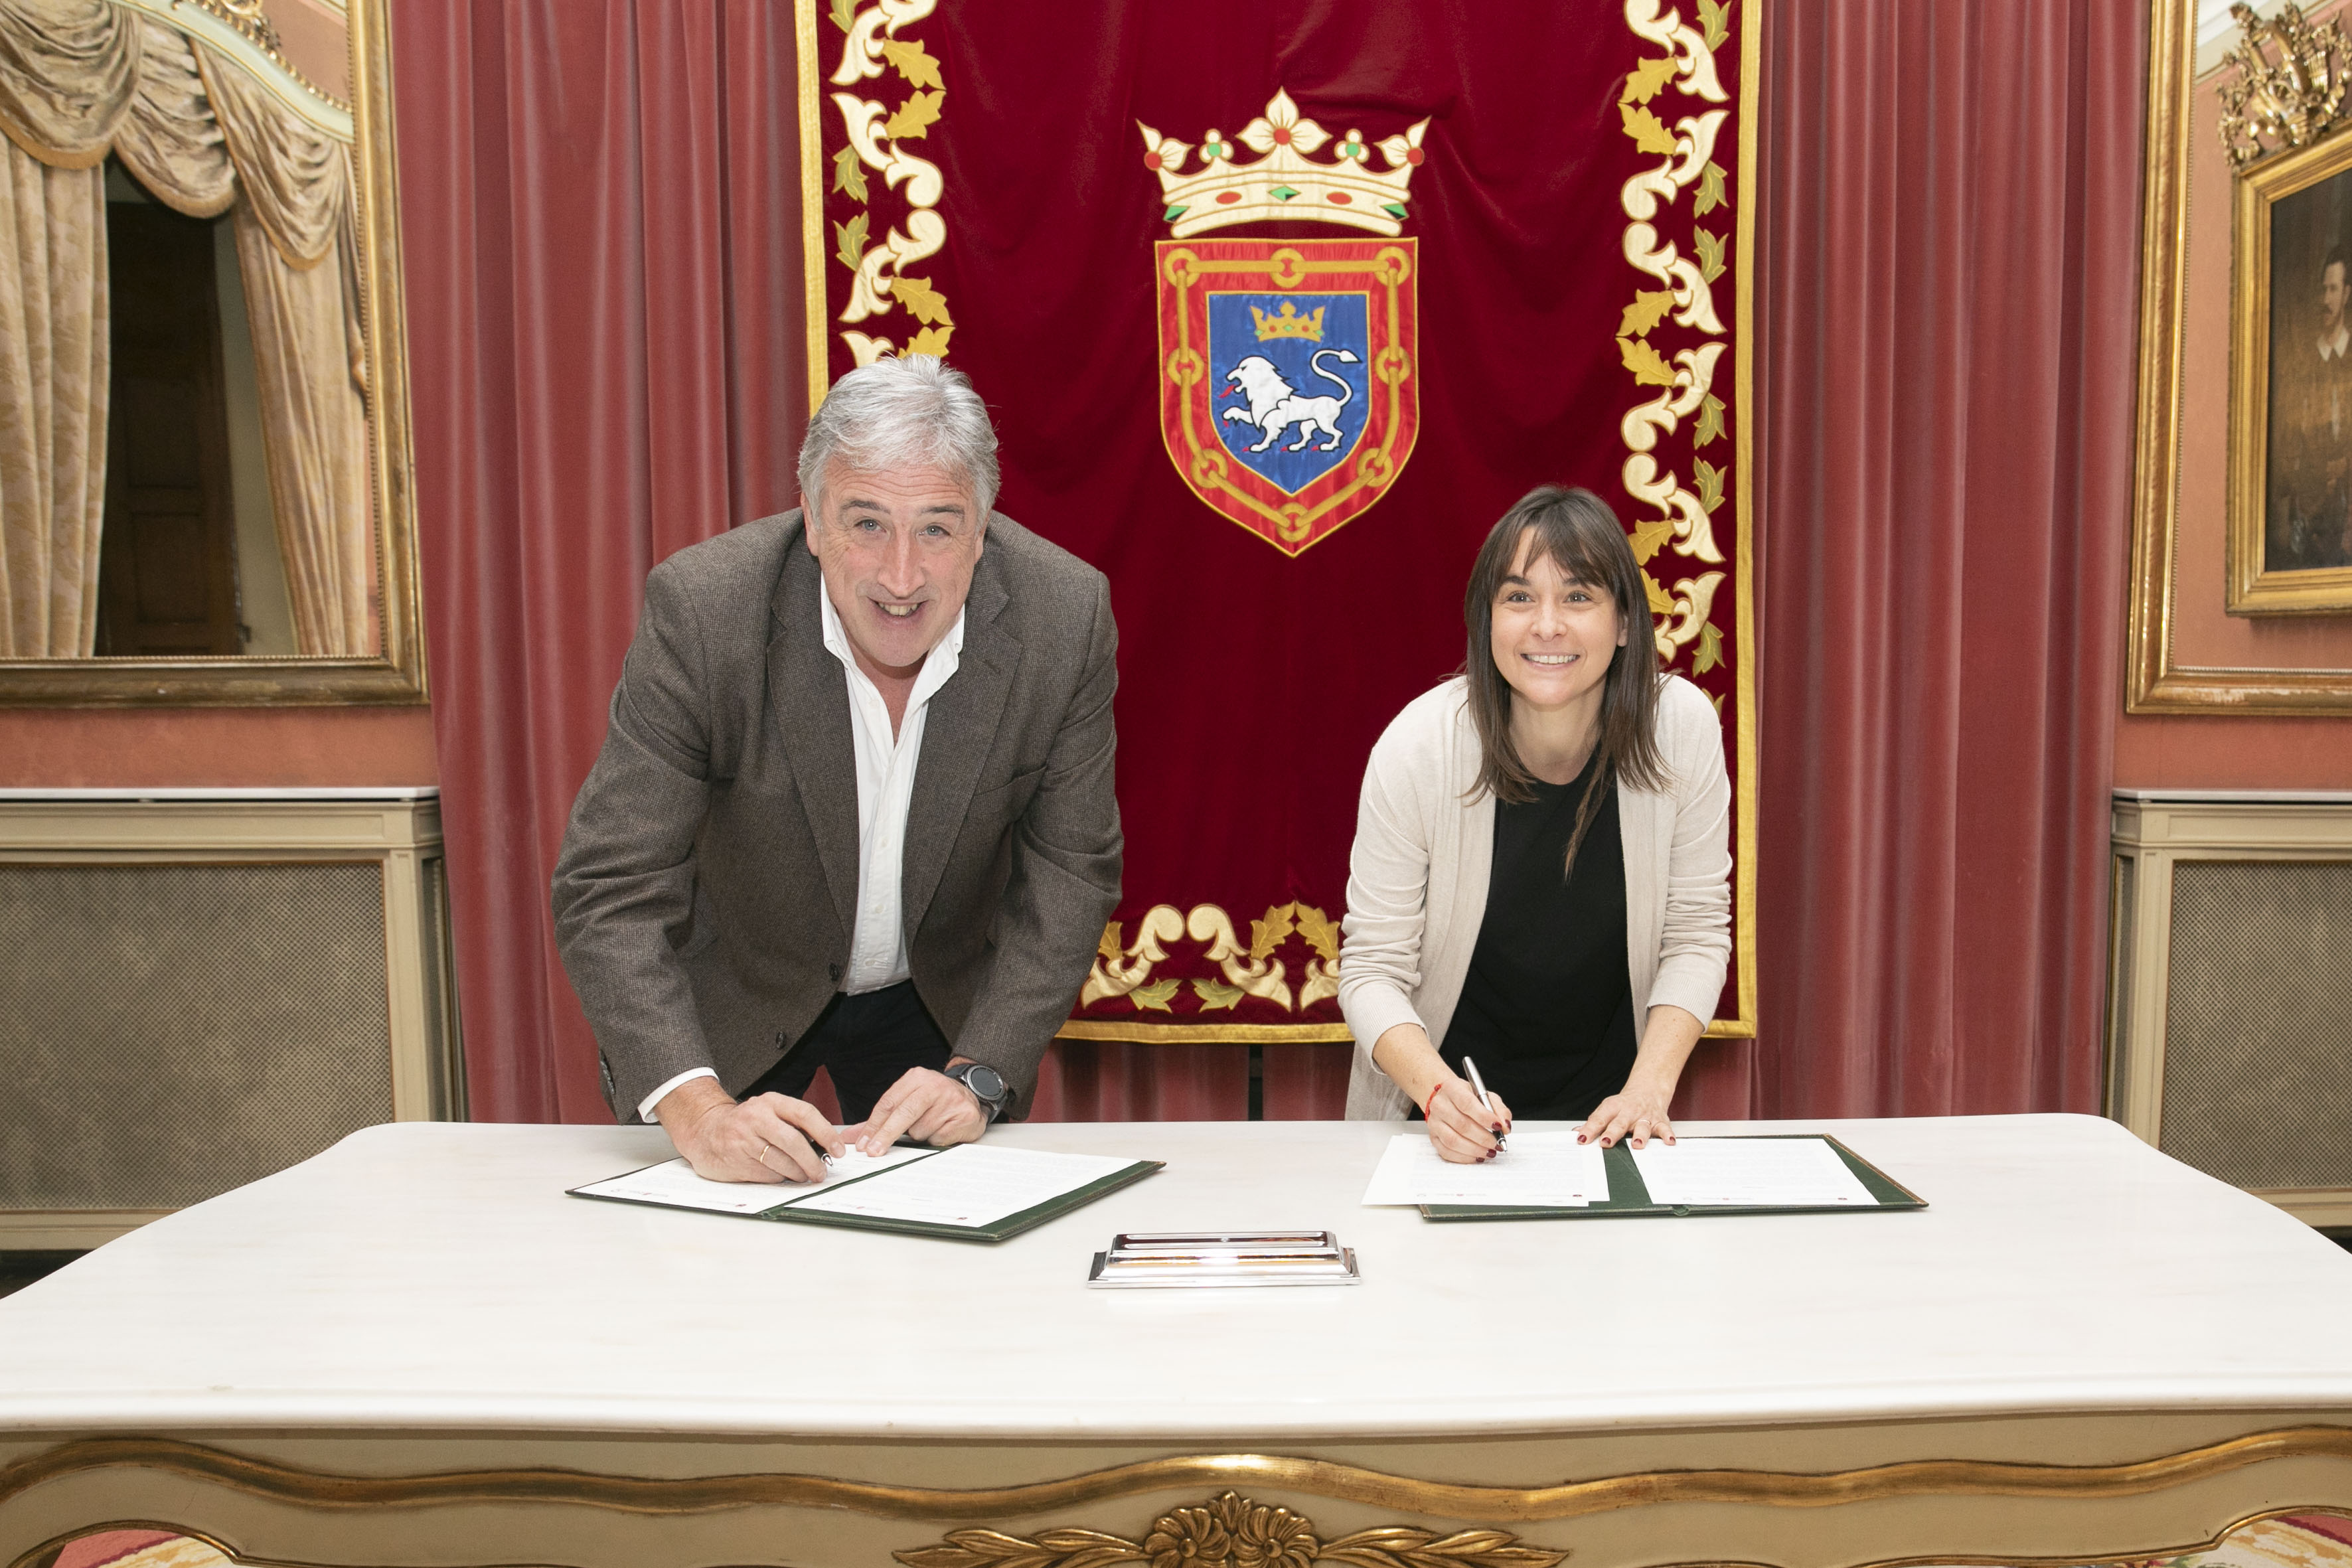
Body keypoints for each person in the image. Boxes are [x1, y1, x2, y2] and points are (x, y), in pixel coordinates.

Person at [552, 356, 1121, 1186]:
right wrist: (698, 1110)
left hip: (933, 1000)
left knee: (941, 1285)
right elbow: (610, 883)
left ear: (984, 524)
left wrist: (983, 1073)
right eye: (865, 524)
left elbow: (1070, 870)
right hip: (741, 982)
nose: (900, 577)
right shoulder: (707, 611)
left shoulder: (1064, 618)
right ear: (812, 522)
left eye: (936, 526)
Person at [1337, 485, 1731, 1162]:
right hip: (1438, 1128)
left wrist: (1649, 1088)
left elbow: (1696, 934)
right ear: (1486, 619)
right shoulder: (1418, 746)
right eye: (1519, 598)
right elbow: (1370, 968)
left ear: (1627, 621)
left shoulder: (1681, 727)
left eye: (1578, 597)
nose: (1547, 625)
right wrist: (1436, 1094)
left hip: (1614, 1126)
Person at [2268, 244, 2352, 572]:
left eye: (2333, 290)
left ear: (2346, 295)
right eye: (2323, 290)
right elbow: (2290, 442)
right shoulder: (2303, 361)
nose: (2325, 300)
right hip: (2307, 508)